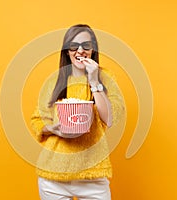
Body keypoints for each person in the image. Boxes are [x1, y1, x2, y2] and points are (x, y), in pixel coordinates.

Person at [30, 24, 125, 200]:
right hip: (53, 176)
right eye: (74, 46)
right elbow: (37, 120)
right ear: (67, 50)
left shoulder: (106, 78)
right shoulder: (54, 81)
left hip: (93, 177)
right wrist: (53, 129)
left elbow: (110, 118)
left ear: (93, 50)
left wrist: (94, 80)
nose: (80, 50)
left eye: (86, 45)